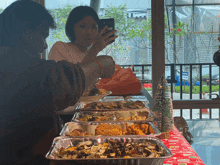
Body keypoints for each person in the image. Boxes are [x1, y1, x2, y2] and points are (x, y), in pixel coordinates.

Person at [0, 0, 115, 164]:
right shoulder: (11, 63)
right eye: (42, 36)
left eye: (93, 27)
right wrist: (98, 66)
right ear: (25, 31)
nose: (43, 45)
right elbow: (57, 83)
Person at [48, 5, 118, 64]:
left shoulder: (89, 54)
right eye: (83, 26)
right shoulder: (60, 48)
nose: (88, 32)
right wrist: (94, 50)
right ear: (72, 28)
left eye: (93, 27)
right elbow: (69, 79)